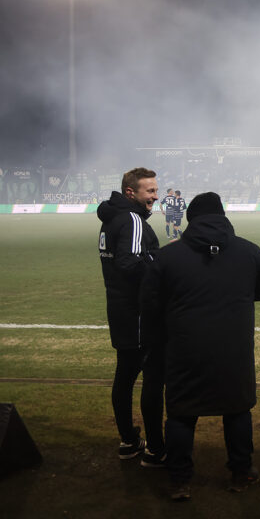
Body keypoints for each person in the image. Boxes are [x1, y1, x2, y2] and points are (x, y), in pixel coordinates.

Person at [140, 192, 260, 501]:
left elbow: (149, 302)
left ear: (190, 219)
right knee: (237, 409)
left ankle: (180, 481)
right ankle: (241, 472)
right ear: (223, 216)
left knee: (181, 413)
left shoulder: (168, 256)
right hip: (234, 349)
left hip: (184, 348)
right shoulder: (248, 251)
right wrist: (238, 295)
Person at [96, 166, 166, 466]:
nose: (155, 195)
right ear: (131, 193)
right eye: (149, 190)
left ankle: (128, 440)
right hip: (138, 312)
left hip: (119, 309)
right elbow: (130, 263)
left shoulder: (112, 219)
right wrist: (162, 262)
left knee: (124, 376)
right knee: (152, 379)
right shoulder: (132, 219)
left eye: (155, 189)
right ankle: (154, 449)